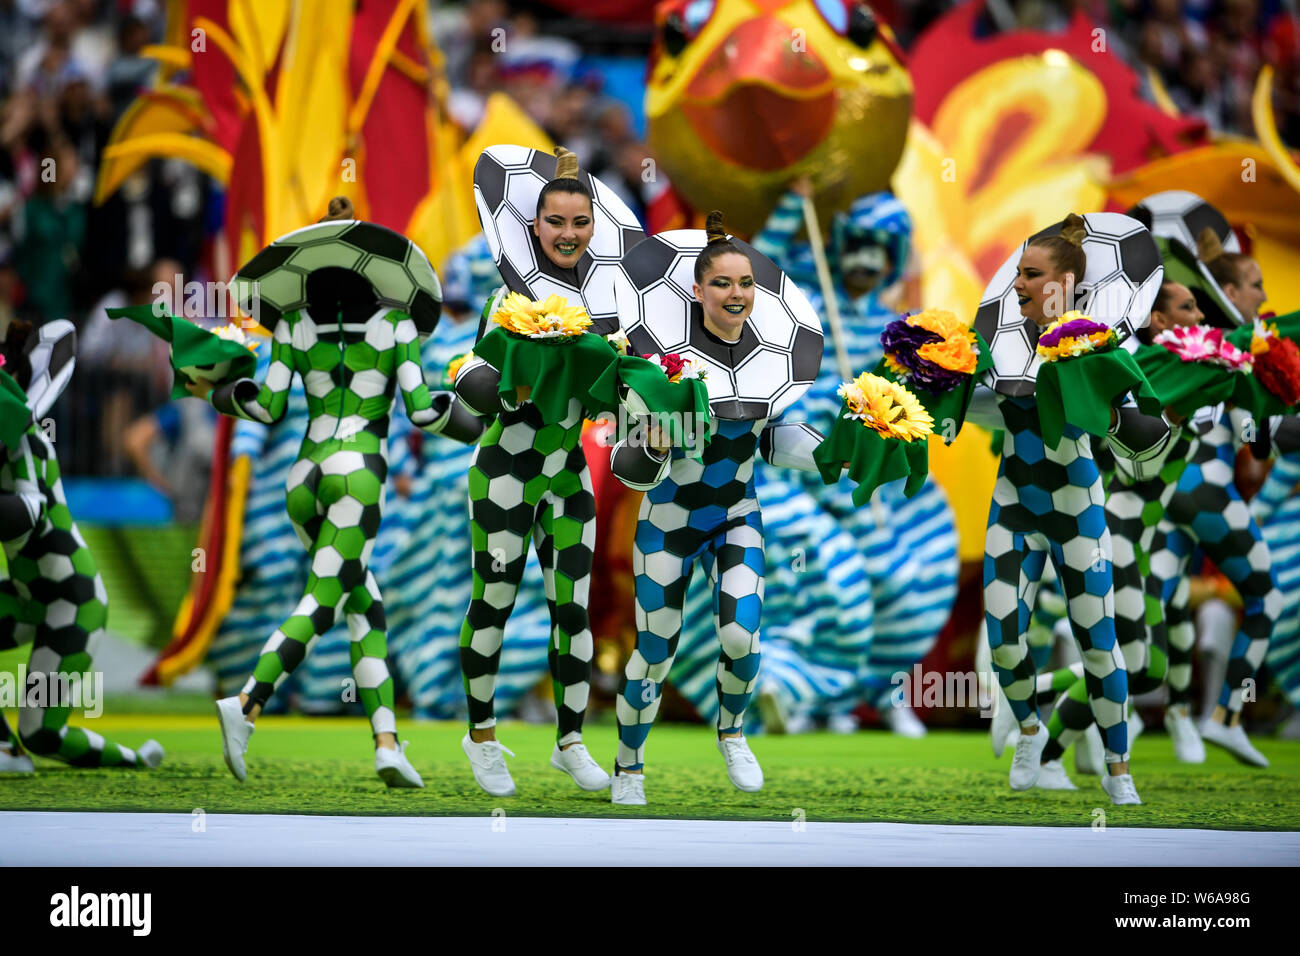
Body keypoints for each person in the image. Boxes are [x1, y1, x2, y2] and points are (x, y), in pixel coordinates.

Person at [196, 197, 477, 788]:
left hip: (305, 477)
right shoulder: (397, 325)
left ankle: (387, 744)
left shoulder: (293, 324)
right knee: (326, 599)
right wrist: (477, 417)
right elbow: (424, 414)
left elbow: (266, 407)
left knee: (362, 603)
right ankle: (248, 701)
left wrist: (218, 392)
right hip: (357, 473)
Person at [608, 211, 827, 806]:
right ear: (697, 290)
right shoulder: (661, 364)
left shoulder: (775, 361)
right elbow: (628, 469)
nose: (737, 295)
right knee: (655, 651)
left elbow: (775, 443)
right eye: (724, 284)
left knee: (740, 636)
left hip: (737, 518)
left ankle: (731, 731)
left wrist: (845, 451)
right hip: (668, 523)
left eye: (746, 284)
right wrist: (652, 440)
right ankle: (629, 767)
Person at [966, 213, 1173, 806]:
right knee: (1004, 638)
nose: (1017, 284)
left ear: (1065, 285)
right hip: (1013, 505)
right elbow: (977, 408)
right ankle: (1031, 729)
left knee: (1098, 643)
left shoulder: (1097, 347)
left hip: (1076, 509)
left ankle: (1118, 767)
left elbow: (1148, 435)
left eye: (1030, 274)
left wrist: (1099, 409)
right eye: (1017, 273)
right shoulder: (1001, 347)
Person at [453, 148, 632, 797]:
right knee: (494, 604)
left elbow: (618, 388)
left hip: (568, 475)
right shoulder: (508, 295)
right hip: (505, 470)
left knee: (573, 611)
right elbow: (473, 373)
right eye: (555, 222)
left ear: (593, 226)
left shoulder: (611, 300)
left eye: (579, 222)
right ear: (534, 227)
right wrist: (501, 388)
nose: (567, 233)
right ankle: (481, 735)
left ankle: (572, 741)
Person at [0, 319, 164, 772]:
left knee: (41, 732)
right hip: (26, 595)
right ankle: (4, 748)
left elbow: (28, 518)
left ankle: (134, 759)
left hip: (72, 603)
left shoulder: (25, 443)